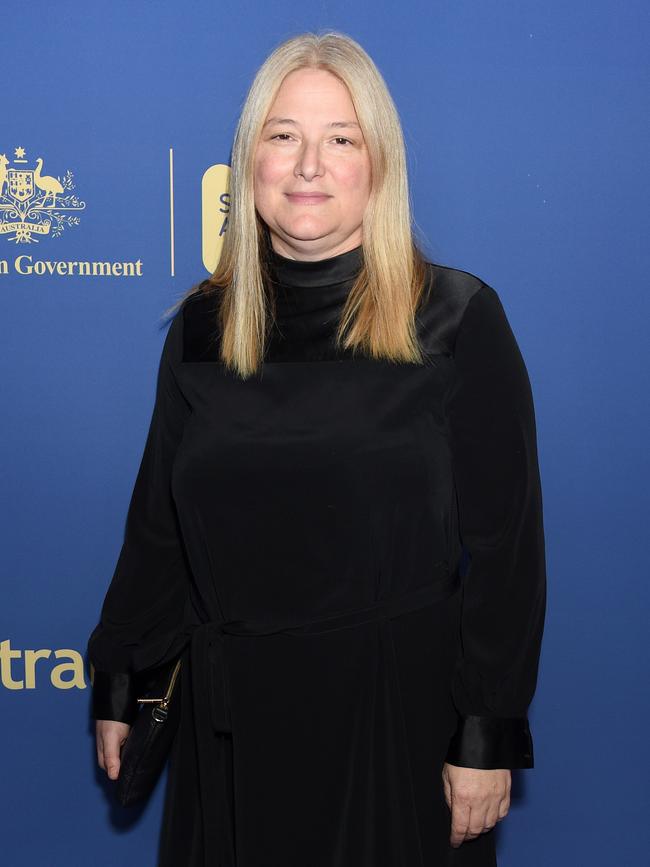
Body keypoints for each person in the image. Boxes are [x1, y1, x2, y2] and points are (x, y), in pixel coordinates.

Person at [87, 30, 547, 867]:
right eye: (282, 135)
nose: (308, 164)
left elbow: (509, 554)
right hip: (232, 730)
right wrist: (121, 675)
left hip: (394, 725)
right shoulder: (202, 328)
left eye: (340, 138)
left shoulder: (456, 320)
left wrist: (484, 731)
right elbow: (159, 530)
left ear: (380, 165)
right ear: (249, 160)